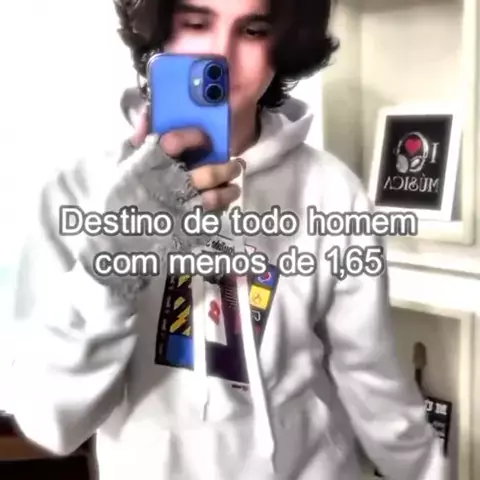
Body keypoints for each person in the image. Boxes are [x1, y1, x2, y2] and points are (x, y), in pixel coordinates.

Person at [9, 0, 446, 479]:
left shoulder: (333, 192)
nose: (222, 53)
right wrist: (111, 269)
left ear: (284, 42)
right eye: (196, 23)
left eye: (253, 30)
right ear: (158, 31)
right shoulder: (77, 193)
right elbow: (53, 421)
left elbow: (374, 382)